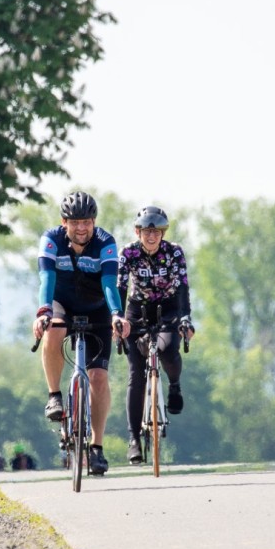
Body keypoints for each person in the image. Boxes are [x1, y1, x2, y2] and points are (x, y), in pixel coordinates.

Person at [32, 191, 129, 475]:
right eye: (75, 222)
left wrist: (116, 314)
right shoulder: (51, 239)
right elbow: (47, 278)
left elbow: (110, 283)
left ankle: (96, 447)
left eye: (87, 222)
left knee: (98, 377)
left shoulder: (105, 242)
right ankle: (54, 395)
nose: (82, 228)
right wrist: (43, 311)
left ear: (94, 221)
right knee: (54, 328)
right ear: (64, 222)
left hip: (98, 309)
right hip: (61, 304)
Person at [118, 205, 195, 464]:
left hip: (169, 309)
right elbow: (120, 287)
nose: (151, 236)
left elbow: (182, 287)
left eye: (156, 232)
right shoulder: (128, 253)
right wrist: (117, 317)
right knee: (135, 374)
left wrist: (185, 318)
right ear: (137, 232)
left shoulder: (174, 252)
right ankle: (133, 439)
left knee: (168, 349)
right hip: (137, 311)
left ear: (162, 233)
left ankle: (174, 385)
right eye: (146, 232)